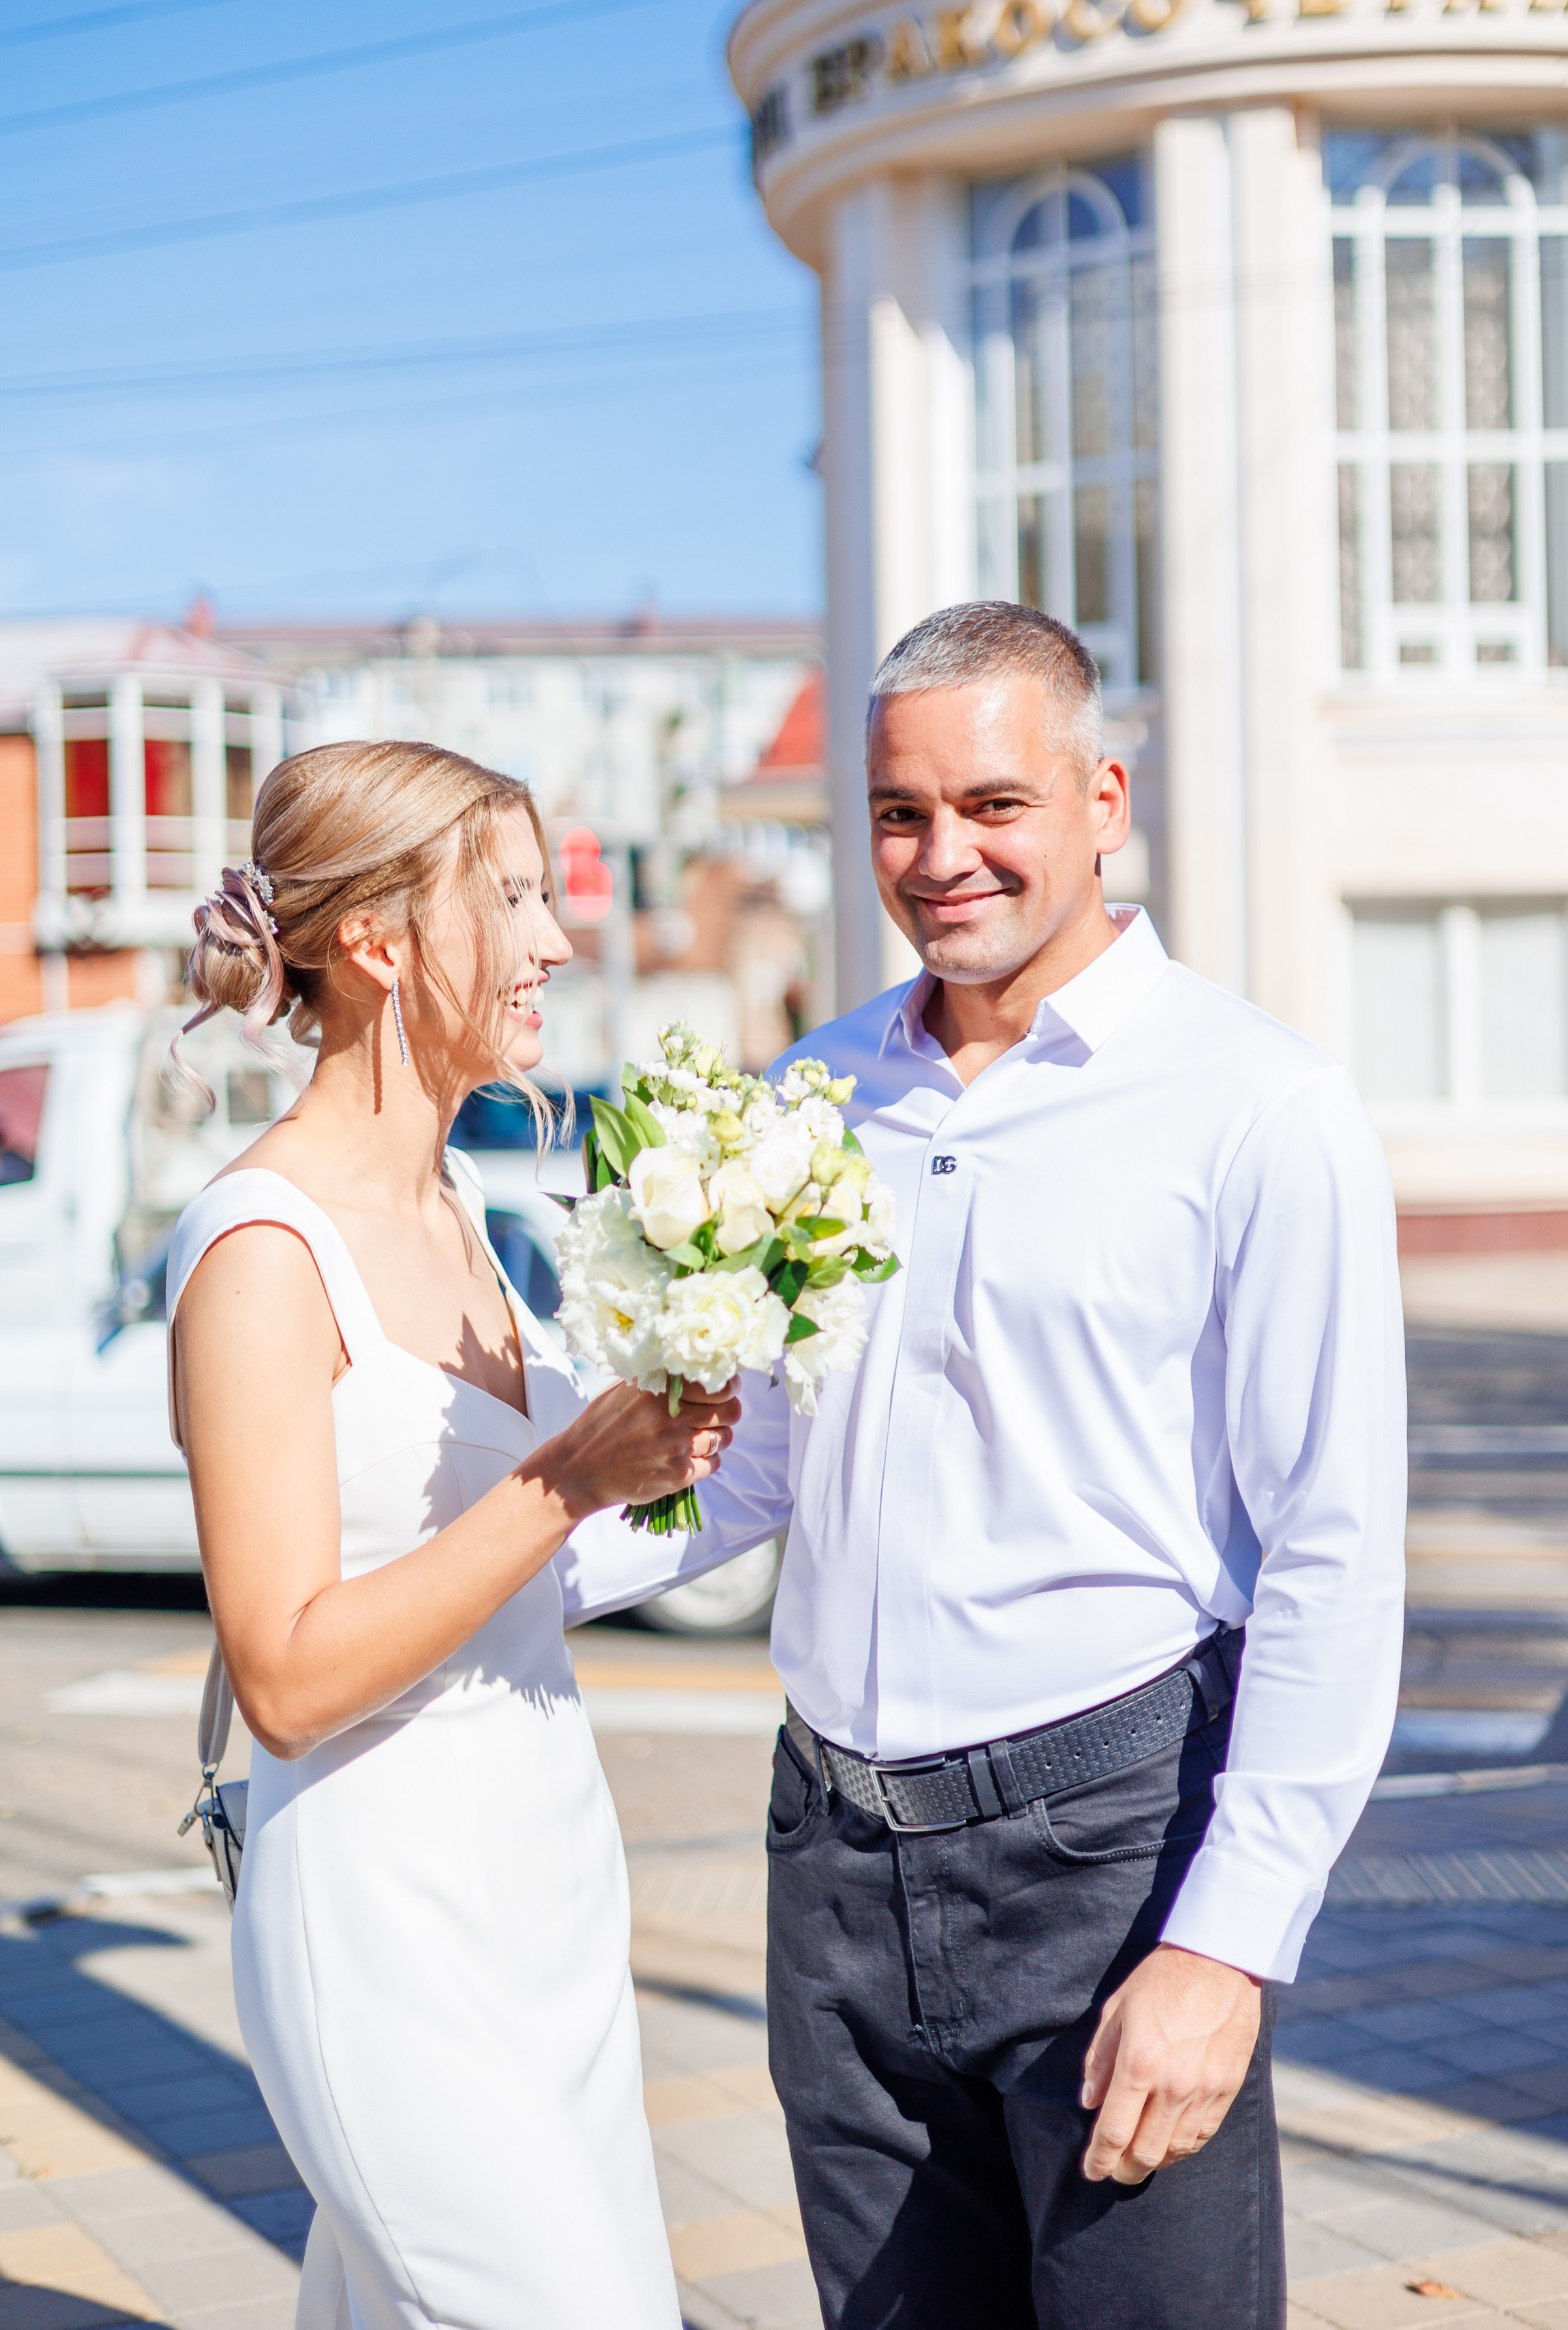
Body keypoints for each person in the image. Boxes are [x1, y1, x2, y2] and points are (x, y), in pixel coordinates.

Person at [560, 602, 1407, 2330]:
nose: (940, 855)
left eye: (991, 804)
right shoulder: (810, 1098)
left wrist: (1225, 1943)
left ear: (1103, 801)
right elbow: (754, 1467)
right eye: (899, 812)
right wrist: (480, 1572)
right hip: (831, 1865)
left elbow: (1331, 1549)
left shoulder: (1256, 1107)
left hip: (1108, 1863)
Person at [166, 739, 740, 2330]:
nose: (555, 940)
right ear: (374, 940)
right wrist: (567, 1476)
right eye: (513, 899)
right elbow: (285, 1679)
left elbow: (520, 1575)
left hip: (549, 1883)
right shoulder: (262, 1252)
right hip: (386, 1915)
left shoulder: (462, 1217)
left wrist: (725, 1459)